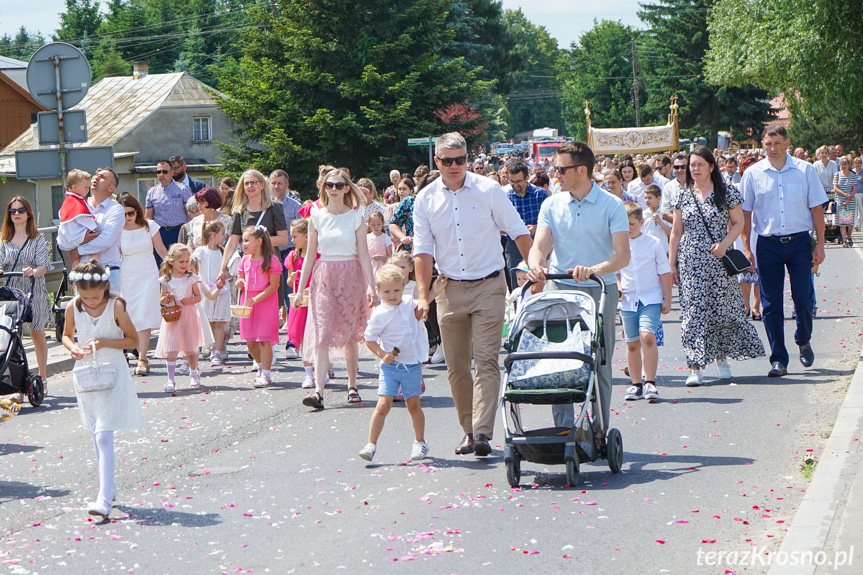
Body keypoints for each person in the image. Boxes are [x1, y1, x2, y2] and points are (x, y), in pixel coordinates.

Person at [413, 132, 532, 457]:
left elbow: (519, 231)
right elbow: (422, 252)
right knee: (456, 367)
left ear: (468, 159)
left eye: (460, 160)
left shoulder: (488, 189)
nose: (454, 166)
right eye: (447, 161)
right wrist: (423, 296)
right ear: (436, 162)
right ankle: (468, 430)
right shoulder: (425, 199)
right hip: (449, 290)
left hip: (489, 286)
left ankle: (482, 432)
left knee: (486, 361)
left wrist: (534, 267)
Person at [527, 141, 629, 434]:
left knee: (599, 360)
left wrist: (593, 270)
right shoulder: (551, 203)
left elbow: (622, 255)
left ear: (581, 170)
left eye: (560, 168)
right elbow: (540, 246)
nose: (554, 174)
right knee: (558, 359)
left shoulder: (611, 205)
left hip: (599, 290)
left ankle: (598, 429)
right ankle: (564, 430)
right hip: (559, 289)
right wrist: (536, 265)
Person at [670, 146, 764, 386]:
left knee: (720, 311)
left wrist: (724, 244)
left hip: (719, 260)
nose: (695, 169)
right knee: (693, 314)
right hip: (691, 261)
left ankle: (722, 358)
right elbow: (676, 231)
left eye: (700, 164)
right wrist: (672, 264)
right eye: (692, 165)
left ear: (711, 166)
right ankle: (695, 366)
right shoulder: (683, 194)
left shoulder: (727, 192)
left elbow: (738, 222)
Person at [741, 126, 827, 377]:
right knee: (771, 304)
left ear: (787, 143)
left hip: (799, 242)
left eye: (778, 143)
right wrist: (746, 247)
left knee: (803, 298)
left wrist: (820, 244)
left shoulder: (805, 170)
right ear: (762, 144)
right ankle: (778, 358)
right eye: (768, 143)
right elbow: (745, 213)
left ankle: (803, 338)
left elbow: (817, 209)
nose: (773, 148)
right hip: (767, 244)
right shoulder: (753, 174)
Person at [61, 260, 142, 518]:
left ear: (106, 287)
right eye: (85, 297)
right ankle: (110, 486)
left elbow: (133, 339)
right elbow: (65, 334)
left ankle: (103, 498)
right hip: (86, 376)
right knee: (96, 434)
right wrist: (72, 347)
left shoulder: (116, 306)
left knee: (104, 435)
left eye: (96, 296)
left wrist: (104, 341)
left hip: (113, 374)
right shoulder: (74, 307)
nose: (92, 301)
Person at [293, 169, 377, 410]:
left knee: (350, 332)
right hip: (324, 275)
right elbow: (309, 256)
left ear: (347, 188)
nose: (333, 189)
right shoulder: (316, 217)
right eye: (330, 185)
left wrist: (372, 287)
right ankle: (318, 392)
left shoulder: (356, 216)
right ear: (324, 187)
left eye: (339, 185)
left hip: (351, 274)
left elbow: (364, 255)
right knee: (322, 332)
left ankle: (353, 385)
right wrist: (300, 291)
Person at [358, 264, 447, 462]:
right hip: (390, 367)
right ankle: (370, 444)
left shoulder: (408, 302)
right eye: (387, 291)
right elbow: (369, 339)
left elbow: (419, 311)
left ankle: (420, 442)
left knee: (413, 404)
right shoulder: (379, 314)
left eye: (397, 290)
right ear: (379, 291)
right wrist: (382, 354)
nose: (392, 295)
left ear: (404, 286)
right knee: (383, 404)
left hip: (412, 364)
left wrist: (434, 291)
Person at [619, 202, 672, 401]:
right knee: (632, 343)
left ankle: (650, 382)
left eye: (632, 224)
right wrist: (617, 286)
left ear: (641, 222)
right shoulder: (618, 244)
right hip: (628, 299)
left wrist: (667, 297)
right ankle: (636, 384)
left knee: (647, 336)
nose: (628, 228)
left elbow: (664, 271)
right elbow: (615, 271)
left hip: (650, 297)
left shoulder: (653, 243)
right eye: (624, 224)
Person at [0, 197, 52, 394]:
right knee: (14, 336)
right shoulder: (4, 239)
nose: (17, 214)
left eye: (21, 210)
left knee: (37, 333)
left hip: (33, 289)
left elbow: (44, 266)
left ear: (28, 213)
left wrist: (33, 271)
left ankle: (43, 377)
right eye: (12, 211)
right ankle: (18, 385)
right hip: (12, 291)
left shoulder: (36, 238)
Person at [118, 194, 168, 376]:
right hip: (126, 273)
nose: (127, 217)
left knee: (144, 316)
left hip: (147, 273)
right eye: (123, 214)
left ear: (137, 210)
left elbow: (161, 250)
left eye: (130, 213)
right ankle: (123, 354)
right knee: (126, 315)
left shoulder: (149, 226)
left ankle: (143, 358)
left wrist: (173, 269)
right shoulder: (117, 230)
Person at [217, 170, 288, 294]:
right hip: (248, 265)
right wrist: (222, 269)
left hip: (269, 263)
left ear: (262, 185)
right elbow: (232, 243)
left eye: (253, 182)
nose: (250, 186)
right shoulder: (239, 211)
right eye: (247, 183)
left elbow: (283, 239)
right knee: (247, 306)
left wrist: (257, 241)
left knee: (269, 305)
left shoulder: (274, 207)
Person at [236, 226, 282, 388]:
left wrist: (256, 298)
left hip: (265, 302)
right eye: (243, 240)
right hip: (248, 302)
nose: (244, 244)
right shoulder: (244, 260)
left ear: (259, 241)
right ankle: (260, 366)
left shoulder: (272, 261)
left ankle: (266, 374)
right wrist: (239, 283)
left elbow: (273, 286)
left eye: (247, 240)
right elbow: (240, 281)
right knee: (250, 341)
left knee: (264, 339)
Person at [154, 244, 205, 392]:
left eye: (187, 261)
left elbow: (198, 297)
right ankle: (170, 379)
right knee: (171, 348)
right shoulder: (166, 280)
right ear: (172, 261)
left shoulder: (191, 278)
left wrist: (190, 300)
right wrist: (167, 298)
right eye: (181, 262)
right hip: (173, 317)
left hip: (188, 315)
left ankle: (194, 372)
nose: (185, 265)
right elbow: (161, 300)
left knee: (191, 347)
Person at [78, 168, 125, 294]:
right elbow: (65, 238)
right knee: (82, 313)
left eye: (103, 177)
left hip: (107, 272)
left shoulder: (116, 209)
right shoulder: (80, 206)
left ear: (111, 188)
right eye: (96, 175)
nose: (97, 178)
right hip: (82, 273)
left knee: (110, 313)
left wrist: (78, 250)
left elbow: (105, 241)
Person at [503, 158, 547, 289]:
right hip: (514, 245)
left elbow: (550, 221)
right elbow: (497, 225)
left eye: (519, 181)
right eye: (512, 181)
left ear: (527, 178)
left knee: (538, 280)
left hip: (536, 244)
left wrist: (536, 228)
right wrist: (514, 229)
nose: (515, 185)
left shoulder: (540, 194)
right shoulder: (506, 197)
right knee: (516, 283)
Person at [285, 219, 318, 388]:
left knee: (317, 338)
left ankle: (321, 370)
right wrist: (291, 279)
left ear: (306, 236)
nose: (292, 240)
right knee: (304, 339)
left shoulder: (318, 255)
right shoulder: (292, 256)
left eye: (295, 236)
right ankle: (309, 375)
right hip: (299, 303)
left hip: (315, 302)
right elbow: (290, 284)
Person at [193, 221, 231, 367]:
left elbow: (228, 273)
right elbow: (194, 269)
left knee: (219, 323)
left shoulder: (223, 252)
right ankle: (207, 345)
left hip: (220, 291)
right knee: (207, 321)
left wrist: (224, 277)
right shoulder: (201, 252)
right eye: (222, 233)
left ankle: (217, 351)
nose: (225, 236)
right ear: (214, 235)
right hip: (205, 291)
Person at [145, 160, 192, 252]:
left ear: (172, 173)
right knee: (161, 263)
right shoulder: (152, 192)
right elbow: (148, 217)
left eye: (164, 172)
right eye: (158, 172)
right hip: (159, 232)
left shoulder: (183, 189)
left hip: (178, 231)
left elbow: (190, 213)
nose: (161, 174)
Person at [56, 168, 97, 267]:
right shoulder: (77, 203)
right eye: (86, 187)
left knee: (75, 261)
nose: (88, 190)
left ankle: (75, 272)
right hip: (75, 238)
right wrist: (94, 229)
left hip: (66, 239)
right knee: (97, 246)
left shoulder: (69, 200)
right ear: (74, 187)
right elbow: (87, 220)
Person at [832, 157, 858, 247]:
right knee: (842, 221)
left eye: (845, 164)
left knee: (850, 221)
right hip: (840, 200)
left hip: (850, 200)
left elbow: (854, 189)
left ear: (848, 165)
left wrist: (848, 198)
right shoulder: (837, 174)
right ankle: (844, 240)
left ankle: (849, 236)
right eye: (842, 164)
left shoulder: (853, 175)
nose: (843, 166)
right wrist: (845, 195)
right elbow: (835, 188)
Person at [388, 177, 417, 252]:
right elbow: (392, 223)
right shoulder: (409, 202)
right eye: (399, 189)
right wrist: (402, 237)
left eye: (404, 189)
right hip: (411, 246)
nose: (401, 191)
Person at [660, 152, 689, 224]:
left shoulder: (697, 185)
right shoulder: (668, 187)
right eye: (676, 167)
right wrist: (686, 223)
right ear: (672, 168)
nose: (679, 170)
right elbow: (665, 213)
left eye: (683, 167)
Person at [642, 185, 671, 254]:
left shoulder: (665, 213)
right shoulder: (643, 214)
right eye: (645, 198)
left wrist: (660, 222)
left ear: (658, 198)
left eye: (650, 198)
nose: (647, 200)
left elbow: (671, 233)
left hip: (663, 251)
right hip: (647, 251)